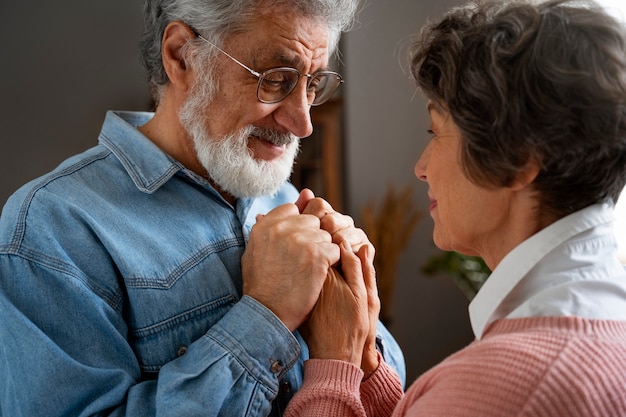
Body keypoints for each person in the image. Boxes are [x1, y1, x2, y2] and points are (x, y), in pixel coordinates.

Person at [0, 1, 406, 416]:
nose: (303, 123)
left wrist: (362, 339)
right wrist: (267, 315)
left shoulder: (284, 197)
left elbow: (386, 385)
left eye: (313, 85)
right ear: (181, 55)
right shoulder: (51, 228)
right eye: (276, 79)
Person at [283, 0, 626, 416]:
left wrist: (333, 363)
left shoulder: (513, 386)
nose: (421, 167)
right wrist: (365, 363)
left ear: (517, 159)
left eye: (437, 131)